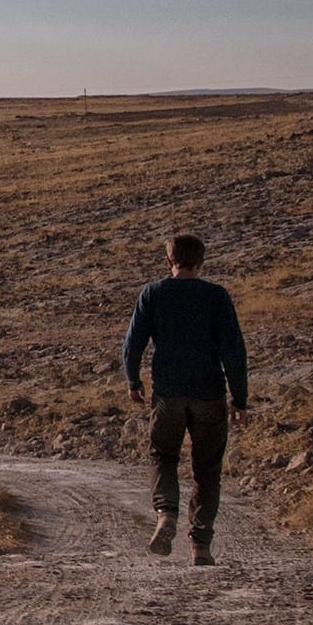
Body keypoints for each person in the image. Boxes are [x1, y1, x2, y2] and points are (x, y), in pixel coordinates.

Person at [121, 235, 249, 566]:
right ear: (201, 262)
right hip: (209, 392)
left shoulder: (153, 293)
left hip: (168, 393)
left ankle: (166, 514)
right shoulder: (217, 296)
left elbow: (134, 342)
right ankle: (201, 546)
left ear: (169, 261)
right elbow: (234, 350)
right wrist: (240, 398)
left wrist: (133, 381)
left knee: (163, 456)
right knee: (207, 469)